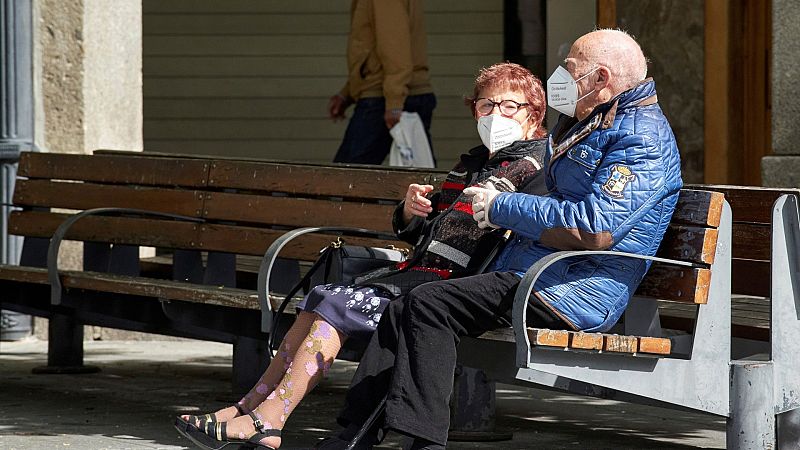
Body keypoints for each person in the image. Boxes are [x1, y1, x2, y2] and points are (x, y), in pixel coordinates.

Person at [317, 29, 683, 450]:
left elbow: (594, 228)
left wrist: (500, 208)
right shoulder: (597, 121)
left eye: (571, 68)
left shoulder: (641, 139)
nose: (560, 76)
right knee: (407, 306)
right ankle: (354, 434)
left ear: (600, 79)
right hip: (535, 273)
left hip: (573, 290)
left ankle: (420, 442)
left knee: (428, 305)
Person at [176, 62, 549, 450]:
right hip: (421, 273)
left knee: (337, 301)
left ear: (533, 113)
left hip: (451, 290)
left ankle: (270, 419)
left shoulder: (536, 165)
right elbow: (433, 232)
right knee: (321, 297)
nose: (495, 116)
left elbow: (506, 233)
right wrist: (411, 211)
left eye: (509, 106)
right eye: (486, 106)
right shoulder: (474, 163)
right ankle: (250, 408)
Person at [329, 0, 437, 165]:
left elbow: (394, 46)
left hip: (387, 98)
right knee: (420, 178)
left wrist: (394, 102)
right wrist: (347, 93)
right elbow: (372, 50)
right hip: (395, 93)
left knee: (344, 179)